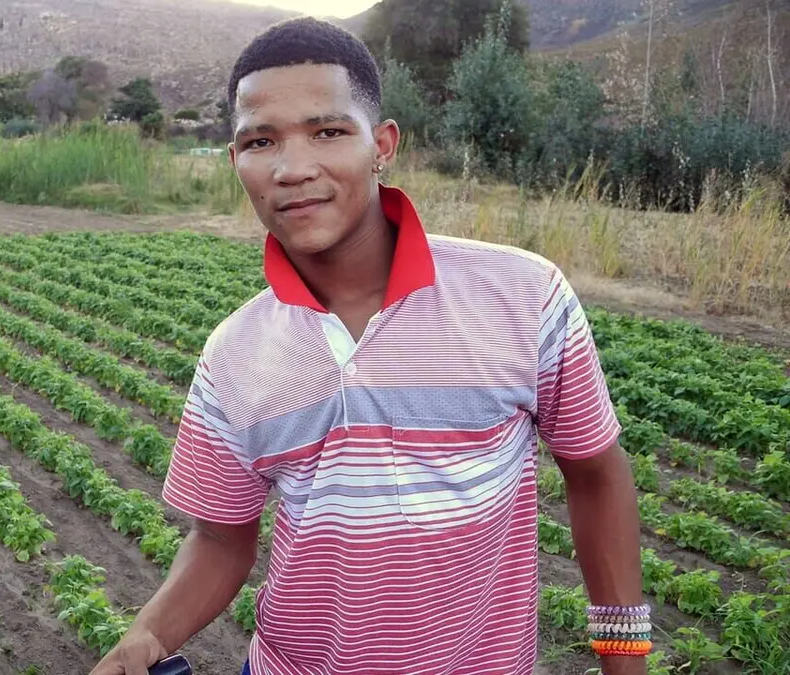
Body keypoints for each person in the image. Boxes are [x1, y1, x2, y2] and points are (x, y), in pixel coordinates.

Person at [90, 16, 646, 675]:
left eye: (327, 132)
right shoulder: (233, 352)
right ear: (236, 161)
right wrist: (145, 637)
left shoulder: (524, 295)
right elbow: (219, 539)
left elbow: (596, 474)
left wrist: (624, 657)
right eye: (261, 141)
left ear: (381, 145)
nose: (293, 168)